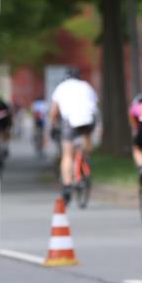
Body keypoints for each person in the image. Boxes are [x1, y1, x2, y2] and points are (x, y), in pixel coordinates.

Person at [48, 68, 98, 204]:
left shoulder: (61, 87)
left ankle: (67, 186)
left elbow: (53, 112)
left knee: (67, 155)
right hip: (89, 119)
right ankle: (85, 158)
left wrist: (51, 126)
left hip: (70, 120)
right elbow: (94, 104)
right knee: (86, 136)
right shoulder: (87, 86)